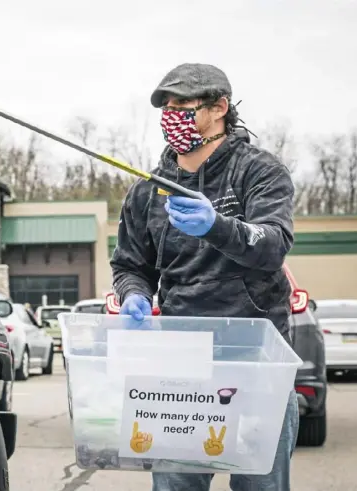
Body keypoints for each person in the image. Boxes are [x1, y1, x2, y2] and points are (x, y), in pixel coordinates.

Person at [110, 63, 299, 491]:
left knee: (261, 484)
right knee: (176, 482)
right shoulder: (147, 190)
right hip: (181, 362)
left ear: (219, 108)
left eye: (182, 105)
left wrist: (217, 226)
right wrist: (133, 293)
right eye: (166, 106)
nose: (171, 114)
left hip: (255, 358)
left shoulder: (259, 171)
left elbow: (272, 246)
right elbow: (129, 264)